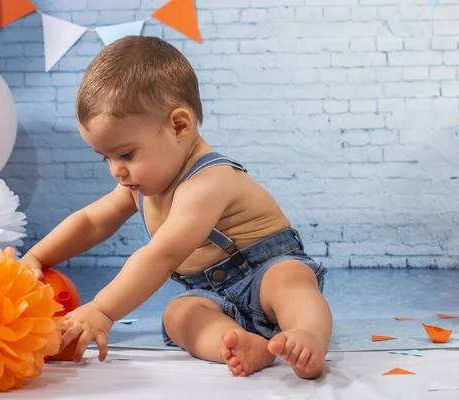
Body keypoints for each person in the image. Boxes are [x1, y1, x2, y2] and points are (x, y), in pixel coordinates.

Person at [18, 36, 332, 379]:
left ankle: (307, 336)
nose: (116, 170)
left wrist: (103, 311)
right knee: (180, 314)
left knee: (290, 283)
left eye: (125, 154)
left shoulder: (208, 181)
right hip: (212, 294)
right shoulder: (141, 185)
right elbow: (91, 222)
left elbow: (162, 254)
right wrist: (36, 257)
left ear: (178, 126)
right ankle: (240, 345)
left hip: (264, 271)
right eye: (105, 158)